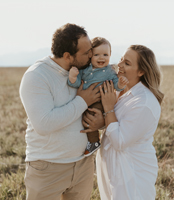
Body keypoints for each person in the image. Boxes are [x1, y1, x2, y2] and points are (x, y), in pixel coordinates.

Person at [19, 23, 105, 200]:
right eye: (86, 52)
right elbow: (44, 124)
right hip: (48, 168)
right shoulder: (37, 76)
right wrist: (82, 100)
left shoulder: (86, 73)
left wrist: (100, 122)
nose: (92, 55)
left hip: (82, 166)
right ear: (68, 56)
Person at [86, 45, 164, 199]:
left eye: (127, 63)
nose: (119, 65)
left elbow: (120, 141)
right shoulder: (121, 90)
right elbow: (114, 122)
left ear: (141, 71)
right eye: (121, 59)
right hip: (114, 169)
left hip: (131, 172)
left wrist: (108, 108)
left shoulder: (144, 103)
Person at [67, 37, 128, 156]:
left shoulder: (110, 71)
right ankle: (89, 140)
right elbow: (76, 83)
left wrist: (120, 83)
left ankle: (94, 142)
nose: (101, 58)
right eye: (97, 55)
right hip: (86, 99)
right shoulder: (85, 70)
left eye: (105, 54)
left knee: (90, 118)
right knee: (84, 119)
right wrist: (73, 77)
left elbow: (116, 85)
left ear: (110, 55)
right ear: (90, 55)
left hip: (100, 100)